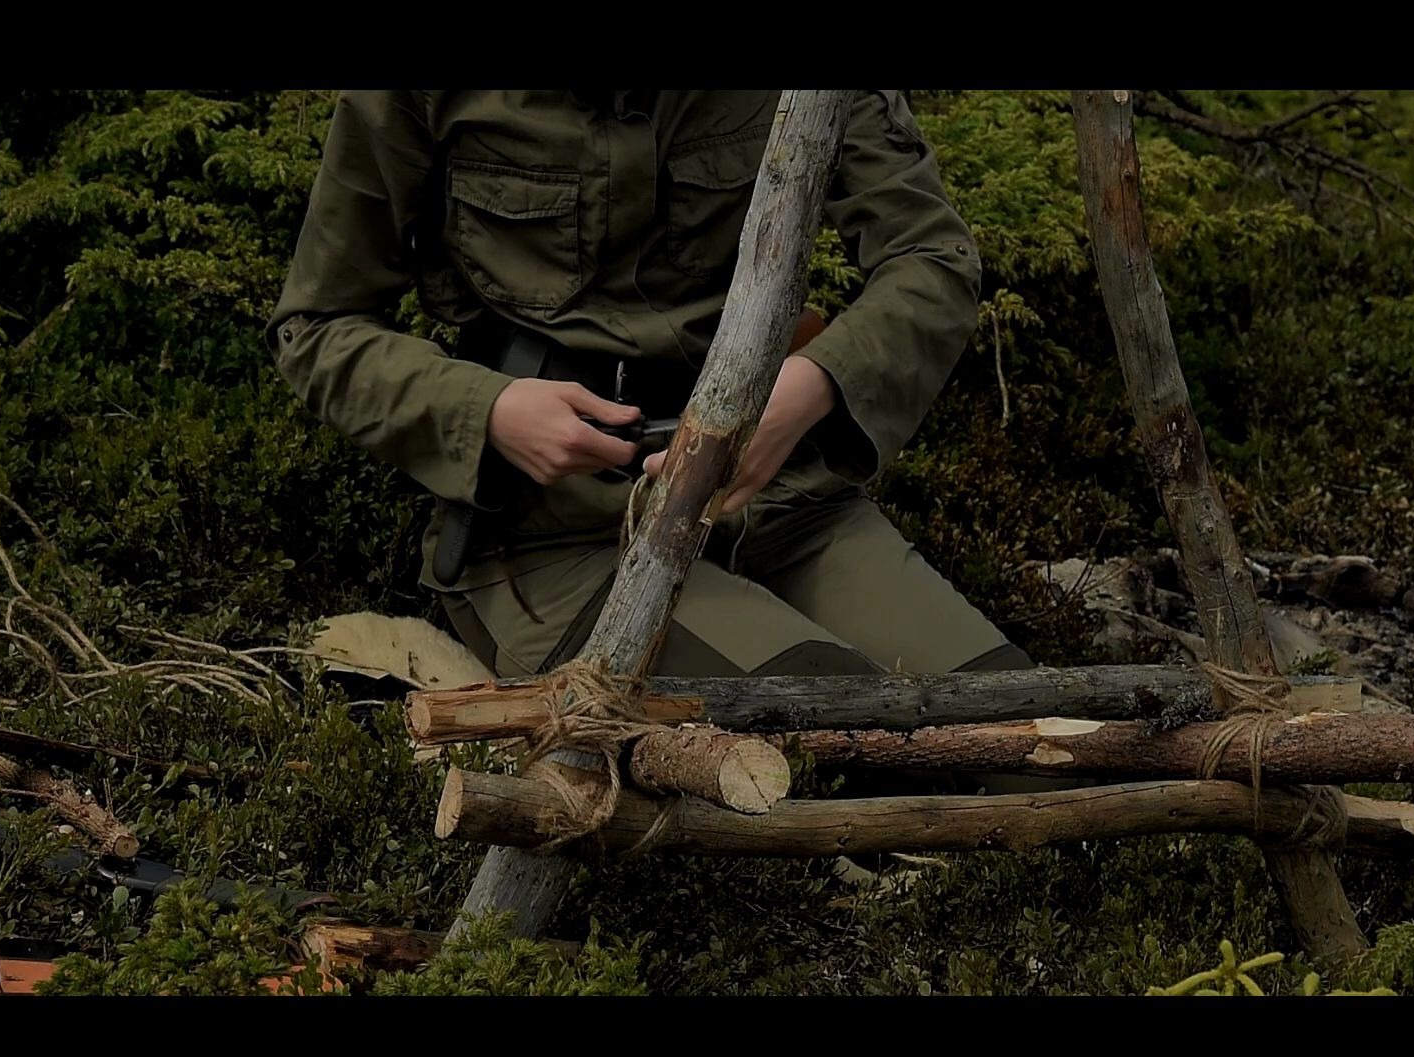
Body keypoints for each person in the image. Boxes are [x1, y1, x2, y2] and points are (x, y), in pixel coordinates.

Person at [267, 90, 1038, 696]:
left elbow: (931, 257)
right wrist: (489, 412)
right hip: (562, 536)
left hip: (782, 503)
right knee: (841, 731)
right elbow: (319, 326)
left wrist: (809, 387)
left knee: (1018, 726)